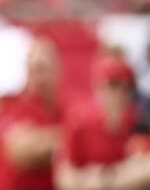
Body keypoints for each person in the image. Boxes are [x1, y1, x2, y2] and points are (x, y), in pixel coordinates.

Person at [55, 54, 150, 189]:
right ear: (100, 86)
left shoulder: (137, 121)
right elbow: (64, 178)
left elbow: (146, 168)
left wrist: (106, 177)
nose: (119, 94)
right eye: (114, 85)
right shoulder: (79, 121)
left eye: (127, 87)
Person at [0, 38, 61, 190]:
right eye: (35, 69)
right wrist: (63, 139)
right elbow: (20, 151)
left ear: (57, 70)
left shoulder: (67, 106)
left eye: (44, 68)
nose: (40, 76)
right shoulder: (12, 105)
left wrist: (38, 139)